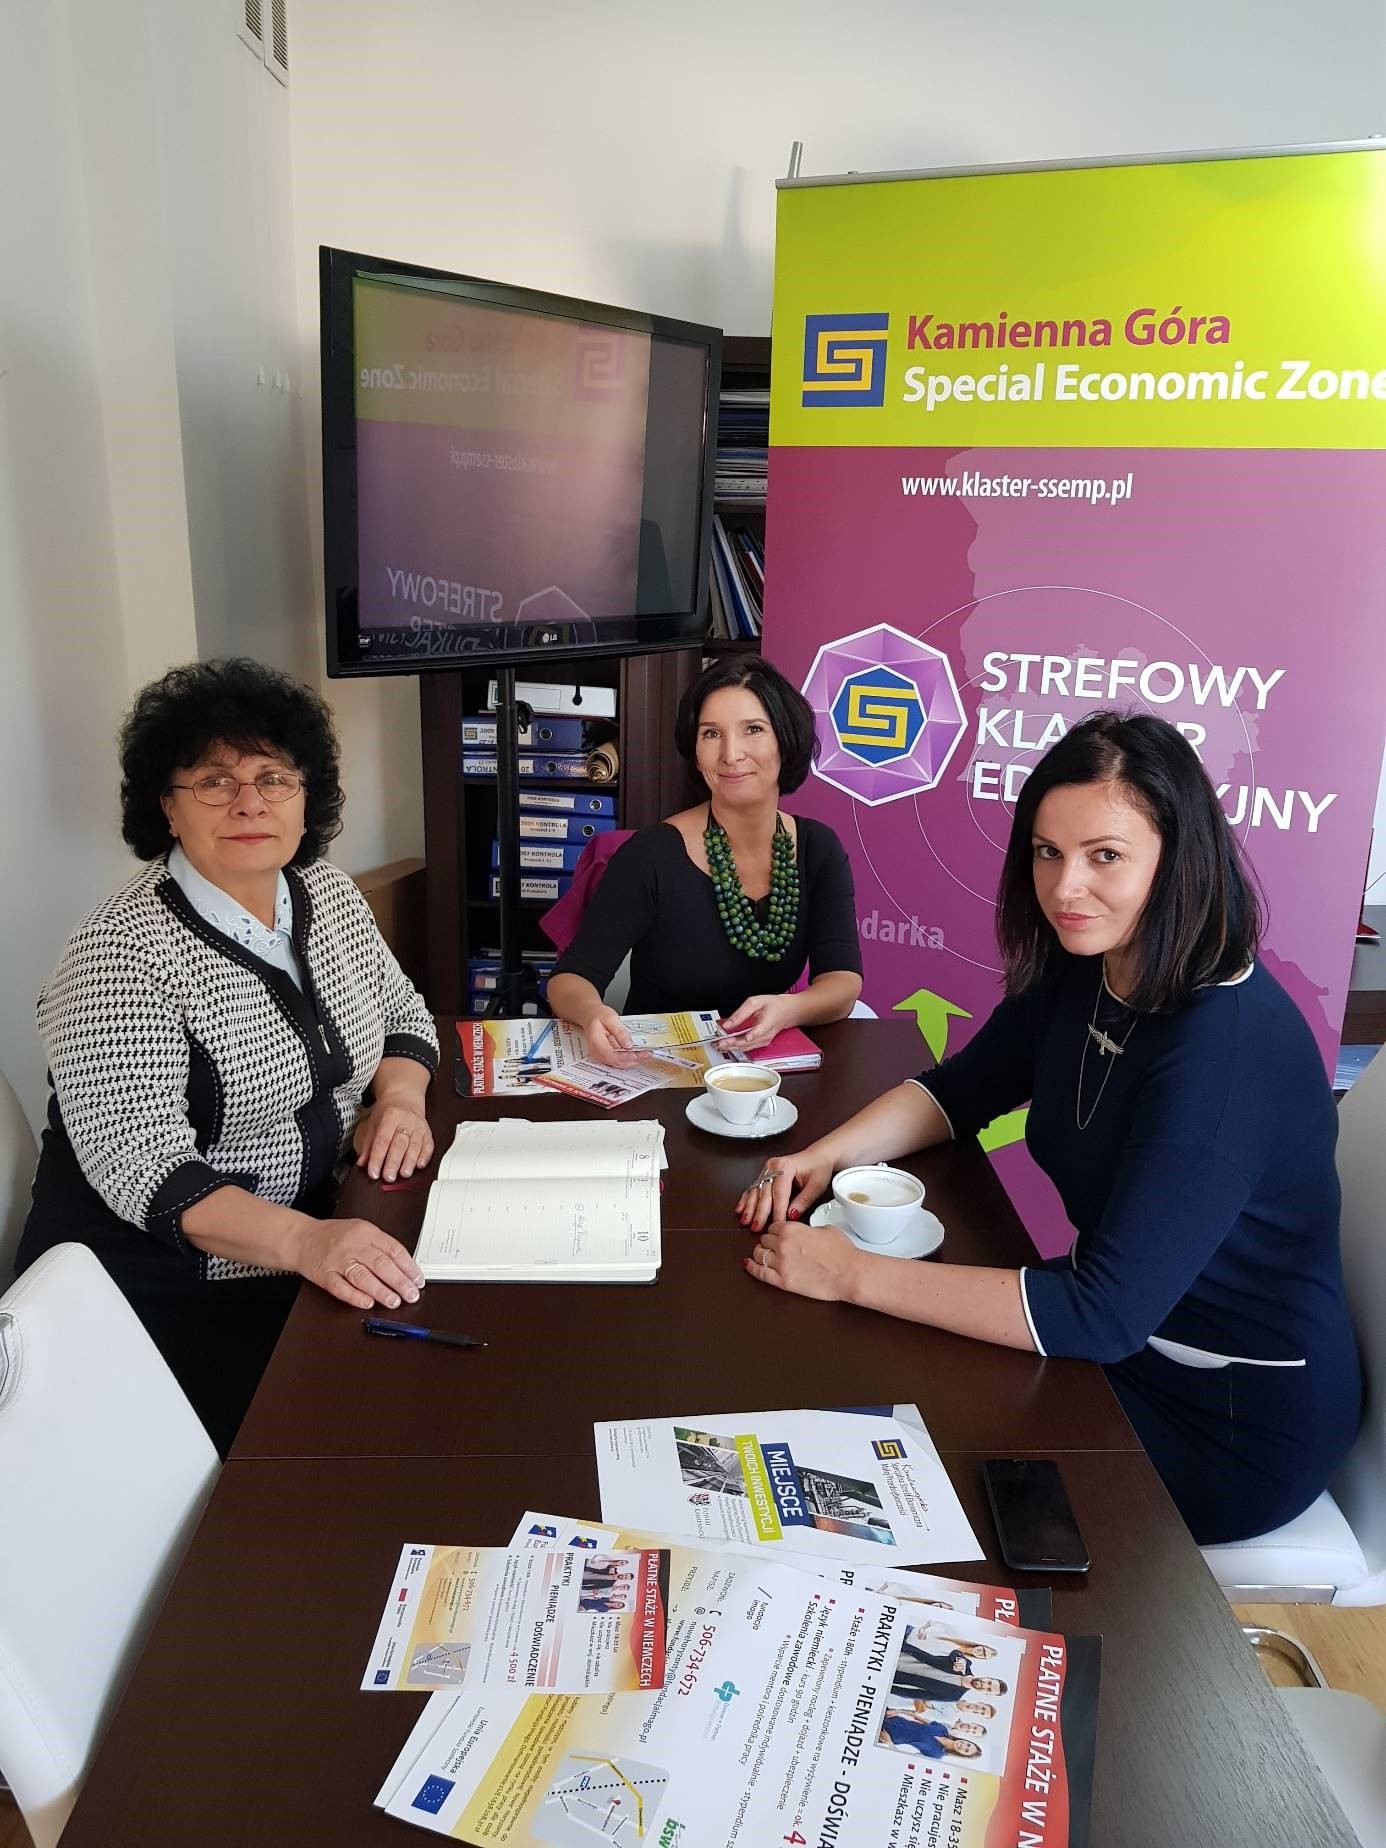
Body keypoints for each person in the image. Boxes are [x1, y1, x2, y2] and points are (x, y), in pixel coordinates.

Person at [737, 711, 1363, 1547]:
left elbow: (1102, 1314)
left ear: (1179, 859)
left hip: (1226, 1419)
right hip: (1119, 1344)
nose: (1066, 888)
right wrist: (823, 1156)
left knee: (896, 1467)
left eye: (1105, 856)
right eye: (1047, 851)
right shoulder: (1091, 963)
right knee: (866, 1383)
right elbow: (962, 1090)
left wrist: (848, 1272)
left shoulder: (1227, 1054)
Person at [17, 659, 439, 1455]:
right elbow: (146, 1169)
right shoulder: (118, 954)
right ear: (167, 808)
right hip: (159, 1299)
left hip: (311, 1240)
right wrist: (307, 1243)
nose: (250, 802)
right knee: (345, 1450)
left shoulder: (325, 892)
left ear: (306, 796)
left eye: (273, 778)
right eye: (214, 781)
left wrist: (400, 1100)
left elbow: (402, 1015)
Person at [547, 655, 862, 1061]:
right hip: (658, 1067)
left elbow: (842, 981)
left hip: (764, 1070)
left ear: (786, 741)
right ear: (696, 754)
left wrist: (791, 1008)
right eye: (711, 734)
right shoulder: (650, 854)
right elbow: (569, 980)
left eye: (753, 729)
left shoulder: (818, 848)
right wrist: (592, 1013)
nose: (731, 754)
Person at [878, 1709, 983, 1757]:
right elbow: (917, 1717)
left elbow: (905, 1758)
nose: (963, 1746)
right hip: (891, 1717)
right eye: (968, 1744)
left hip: (884, 1735)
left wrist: (889, 1743)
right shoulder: (942, 1729)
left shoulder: (936, 1754)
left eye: (966, 1750)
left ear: (962, 1755)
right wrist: (898, 1711)